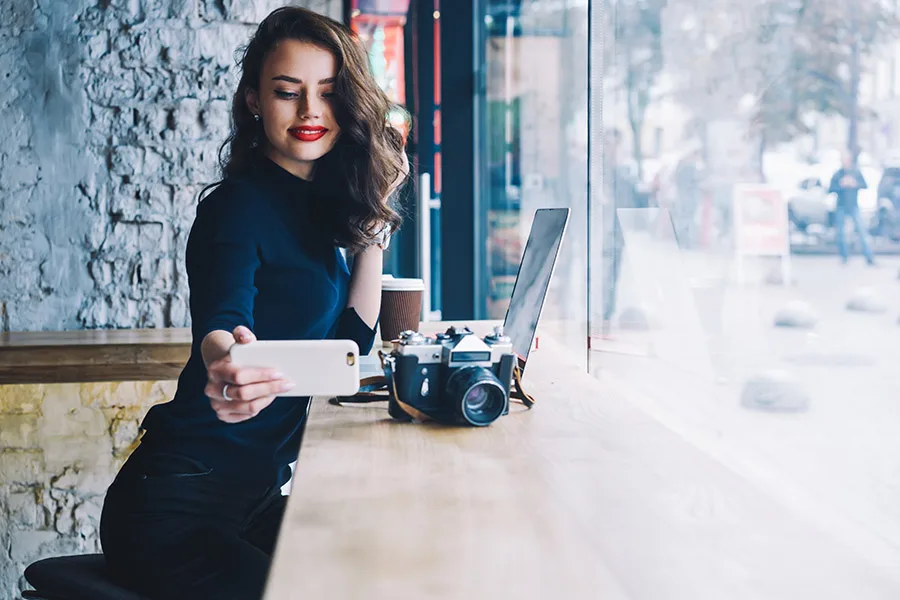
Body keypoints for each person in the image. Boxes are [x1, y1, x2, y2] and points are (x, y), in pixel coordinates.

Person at [98, 7, 409, 600]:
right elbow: (222, 321)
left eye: (328, 93)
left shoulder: (313, 208)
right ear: (253, 102)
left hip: (252, 499)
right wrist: (224, 362)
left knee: (366, 570)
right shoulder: (236, 207)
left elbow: (353, 339)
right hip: (175, 512)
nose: (311, 112)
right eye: (288, 93)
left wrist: (374, 219)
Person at [828, 150, 875, 266]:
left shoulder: (856, 173)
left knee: (862, 232)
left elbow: (864, 185)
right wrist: (841, 185)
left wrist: (854, 184)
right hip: (841, 206)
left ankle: (869, 257)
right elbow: (830, 189)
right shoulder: (838, 174)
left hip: (853, 206)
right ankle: (844, 257)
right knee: (840, 233)